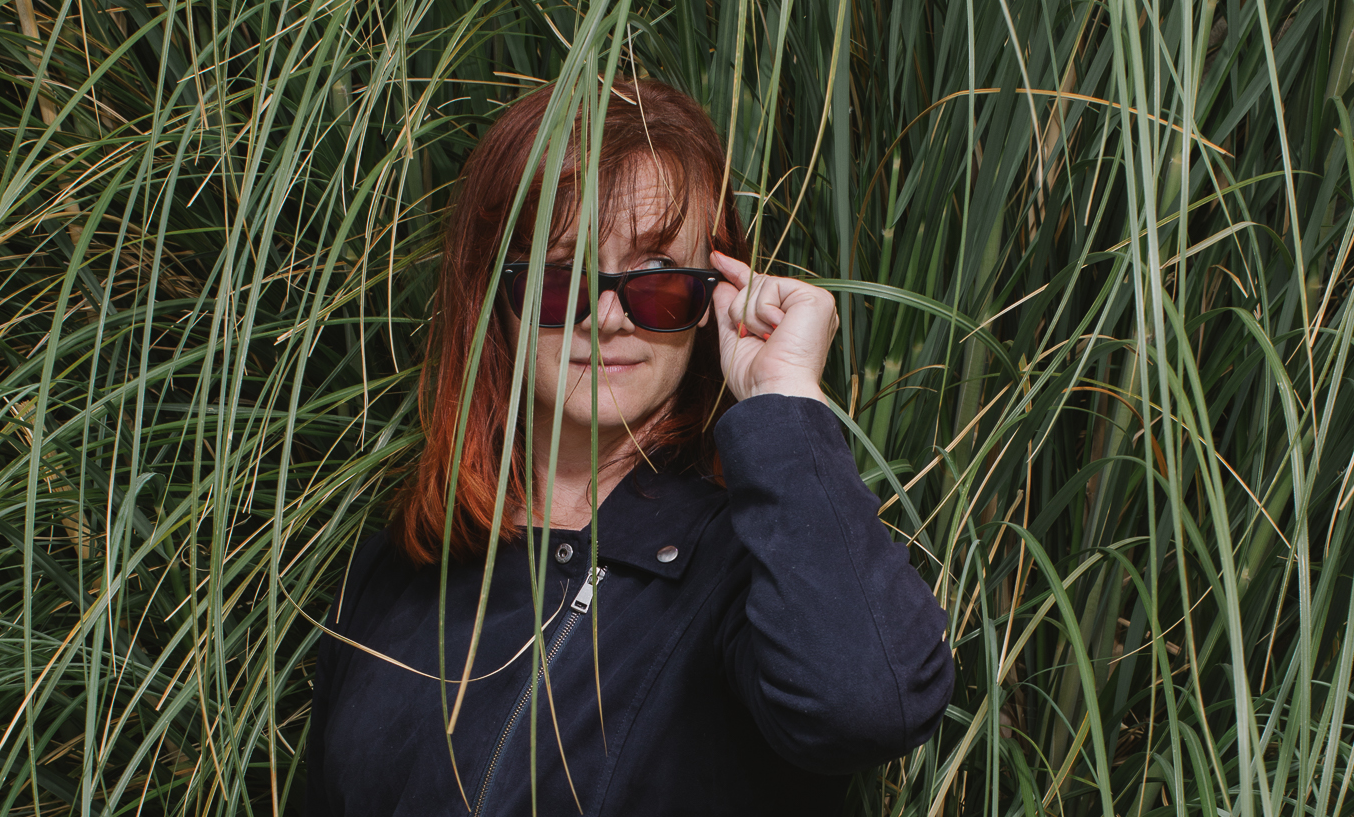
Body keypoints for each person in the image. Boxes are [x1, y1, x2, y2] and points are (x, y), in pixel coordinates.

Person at [305, 78, 953, 816]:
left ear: (713, 299)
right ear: (495, 297)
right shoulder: (399, 563)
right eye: (560, 280)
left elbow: (870, 708)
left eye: (659, 285)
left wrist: (784, 397)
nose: (608, 319)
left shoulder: (754, 568)